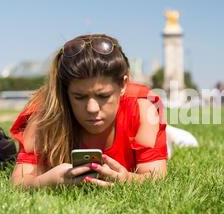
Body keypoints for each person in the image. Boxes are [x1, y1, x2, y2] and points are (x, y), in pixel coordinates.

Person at [10, 34, 168, 188]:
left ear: (123, 85)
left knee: (163, 142)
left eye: (103, 96)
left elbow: (156, 177)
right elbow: (19, 182)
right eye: (79, 97)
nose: (92, 109)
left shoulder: (143, 106)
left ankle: (172, 136)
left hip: (142, 127)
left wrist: (127, 178)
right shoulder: (44, 115)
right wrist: (49, 180)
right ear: (66, 91)